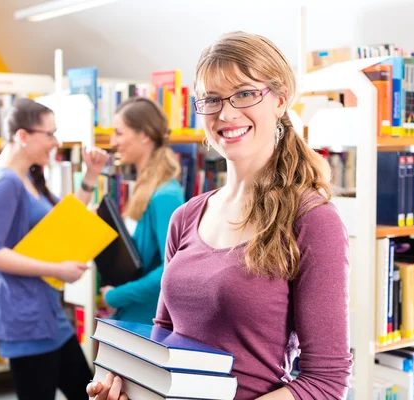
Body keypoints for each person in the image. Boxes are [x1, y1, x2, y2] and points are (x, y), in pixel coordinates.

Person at [87, 32, 352, 400]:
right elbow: (163, 335)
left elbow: (326, 382)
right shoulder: (185, 216)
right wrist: (128, 388)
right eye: (211, 100)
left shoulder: (311, 219)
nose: (226, 113)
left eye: (244, 93)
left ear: (280, 99)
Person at [0, 98, 110, 400]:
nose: (56, 142)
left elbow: (63, 224)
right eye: (49, 134)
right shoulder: (4, 183)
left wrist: (91, 175)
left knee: (86, 392)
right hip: (25, 320)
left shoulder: (27, 177)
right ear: (23, 136)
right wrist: (56, 270)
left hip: (46, 314)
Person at [98, 97, 185, 325]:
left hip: (147, 322)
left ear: (144, 135)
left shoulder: (166, 194)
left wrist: (116, 296)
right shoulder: (144, 186)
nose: (112, 142)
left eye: (119, 133)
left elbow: (172, 267)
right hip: (132, 315)